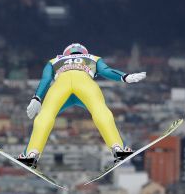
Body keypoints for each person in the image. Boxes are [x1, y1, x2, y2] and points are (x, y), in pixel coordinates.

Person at [18, 42, 147, 169]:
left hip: (60, 86)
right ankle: (118, 148)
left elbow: (46, 80)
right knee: (100, 110)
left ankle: (31, 154)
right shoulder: (92, 58)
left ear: (66, 53)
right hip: (85, 84)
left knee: (45, 115)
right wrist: (125, 77)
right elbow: (106, 71)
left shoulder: (54, 61)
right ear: (84, 52)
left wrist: (37, 98)